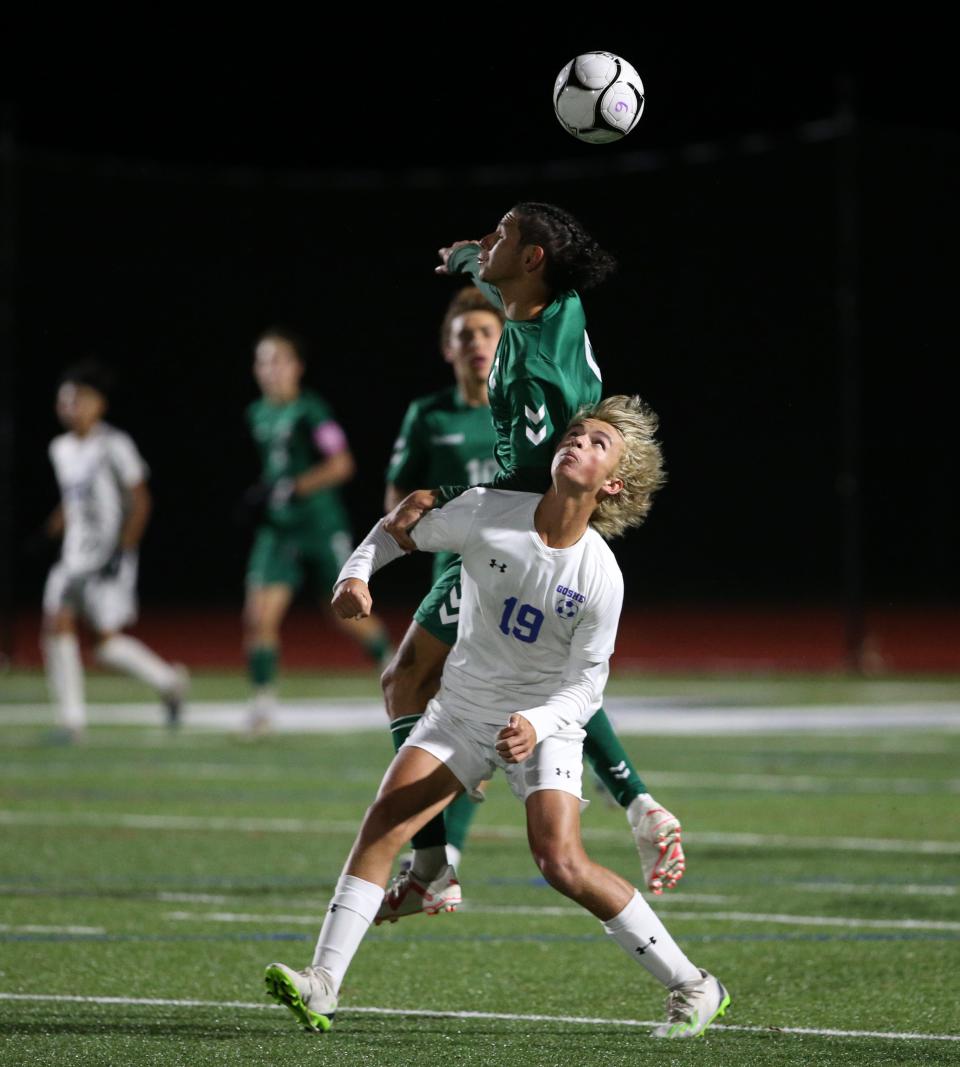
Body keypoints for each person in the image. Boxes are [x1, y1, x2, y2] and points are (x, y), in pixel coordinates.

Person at [265, 397, 730, 1039]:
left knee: (560, 863)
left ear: (613, 483)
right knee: (383, 823)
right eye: (574, 433)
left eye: (598, 443)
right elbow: (400, 525)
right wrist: (357, 573)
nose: (577, 444)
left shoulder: (601, 576)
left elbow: (587, 686)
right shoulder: (490, 511)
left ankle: (695, 986)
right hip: (461, 709)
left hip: (545, 725)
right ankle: (322, 984)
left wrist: (537, 724)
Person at [378, 205, 685, 915]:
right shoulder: (545, 302)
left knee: (414, 678)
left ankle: (431, 861)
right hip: (518, 533)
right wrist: (465, 257)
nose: (491, 241)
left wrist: (450, 505)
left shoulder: (538, 374)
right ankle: (636, 805)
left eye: (503, 234)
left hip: (517, 538)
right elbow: (500, 285)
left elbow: (528, 488)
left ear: (534, 256)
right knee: (535, 681)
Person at [242, 329, 391, 733]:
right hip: (279, 530)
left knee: (347, 614)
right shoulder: (257, 413)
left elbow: (342, 463)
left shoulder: (312, 411)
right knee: (258, 617)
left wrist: (296, 487)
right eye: (263, 362)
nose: (270, 371)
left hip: (319, 526)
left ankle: (396, 673)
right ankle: (262, 706)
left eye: (278, 361)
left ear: (296, 367)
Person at [41, 361, 188, 741]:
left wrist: (123, 549)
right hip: (75, 555)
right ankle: (72, 721)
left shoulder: (114, 445)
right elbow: (75, 499)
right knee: (55, 622)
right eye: (65, 400)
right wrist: (57, 524)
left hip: (108, 557)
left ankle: (169, 681)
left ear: (99, 405)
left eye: (79, 399)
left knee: (104, 644)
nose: (71, 406)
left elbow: (140, 500)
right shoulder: (60, 448)